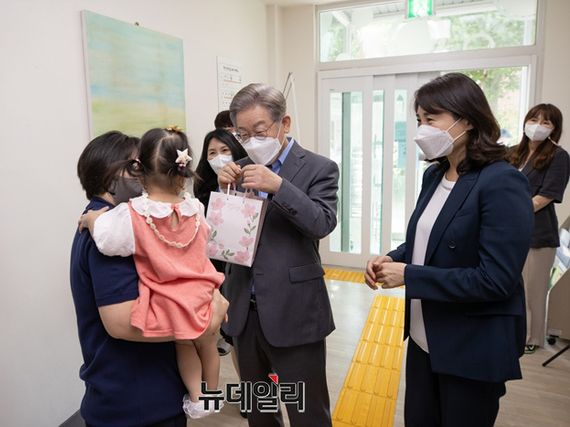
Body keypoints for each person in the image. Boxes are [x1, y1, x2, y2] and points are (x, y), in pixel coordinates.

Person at [365, 73, 534, 427]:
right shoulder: (435, 175)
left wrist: (410, 276)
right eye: (418, 120)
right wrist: (393, 259)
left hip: (472, 344)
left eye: (431, 119)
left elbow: (496, 280)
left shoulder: (502, 181)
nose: (421, 130)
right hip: (425, 337)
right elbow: (428, 239)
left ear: (467, 120)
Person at [77, 127, 228, 420]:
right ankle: (209, 396)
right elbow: (119, 323)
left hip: (171, 298)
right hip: (202, 291)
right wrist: (206, 318)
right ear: (182, 176)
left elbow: (107, 239)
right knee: (208, 345)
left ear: (142, 174)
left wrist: (94, 220)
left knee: (185, 346)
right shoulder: (196, 208)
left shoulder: (130, 216)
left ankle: (197, 397)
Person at [217, 83, 339, 426]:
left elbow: (322, 223)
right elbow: (225, 241)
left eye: (259, 131)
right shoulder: (237, 170)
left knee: (308, 413)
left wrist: (280, 187)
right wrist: (224, 192)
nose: (251, 141)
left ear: (284, 123)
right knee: (260, 412)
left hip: (294, 310)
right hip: (244, 310)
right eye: (243, 134)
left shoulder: (319, 167)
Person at [507, 103, 569, 354]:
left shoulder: (558, 156)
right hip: (509, 232)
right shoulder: (512, 153)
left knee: (533, 289)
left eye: (546, 122)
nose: (537, 126)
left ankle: (531, 338)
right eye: (534, 120)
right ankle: (514, 332)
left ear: (554, 129)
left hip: (538, 233)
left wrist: (511, 211)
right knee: (513, 285)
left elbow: (547, 195)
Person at [193, 129, 247, 374]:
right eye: (212, 153)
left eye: (225, 150)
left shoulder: (251, 180)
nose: (219, 157)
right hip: (216, 267)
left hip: (244, 265)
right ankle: (249, 385)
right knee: (233, 333)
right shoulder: (203, 189)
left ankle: (266, 385)